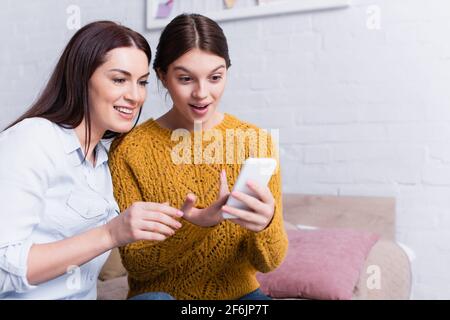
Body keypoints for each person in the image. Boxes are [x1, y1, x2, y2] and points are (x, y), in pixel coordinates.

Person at [109, 13, 289, 300]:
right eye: (185, 78)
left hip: (239, 296)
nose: (202, 93)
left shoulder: (255, 143)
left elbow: (269, 263)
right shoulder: (130, 150)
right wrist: (196, 224)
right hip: (161, 295)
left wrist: (266, 226)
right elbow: (137, 265)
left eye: (215, 77)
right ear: (162, 77)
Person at [0, 21, 183, 299]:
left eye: (142, 82)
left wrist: (199, 219)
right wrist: (110, 234)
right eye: (119, 80)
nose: (135, 96)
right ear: (81, 78)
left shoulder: (105, 159)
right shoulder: (32, 139)